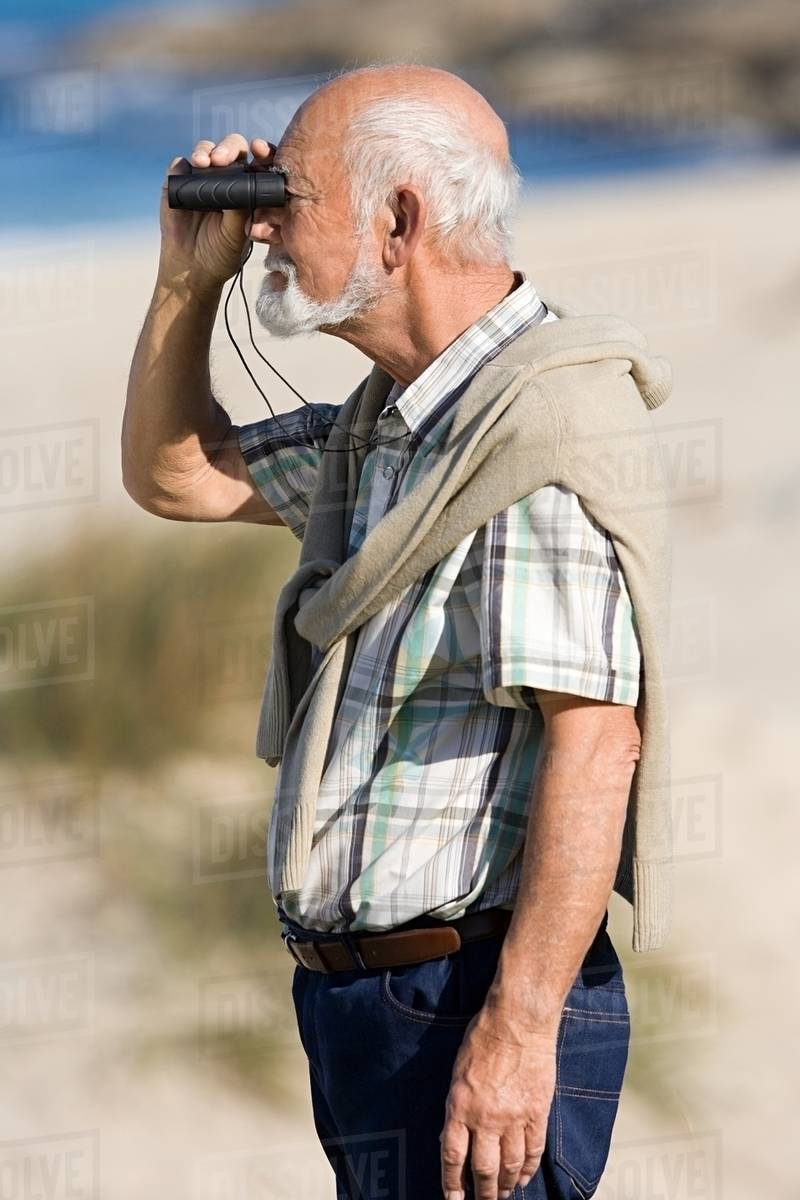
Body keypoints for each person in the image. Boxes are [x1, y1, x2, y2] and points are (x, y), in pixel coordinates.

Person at [123, 64, 672, 1200]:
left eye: (291, 195)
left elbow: (593, 742)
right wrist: (187, 278)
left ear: (398, 219)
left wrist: (517, 1039)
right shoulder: (396, 427)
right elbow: (175, 476)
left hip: (466, 1001)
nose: (263, 224)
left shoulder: (529, 430)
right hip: (369, 1008)